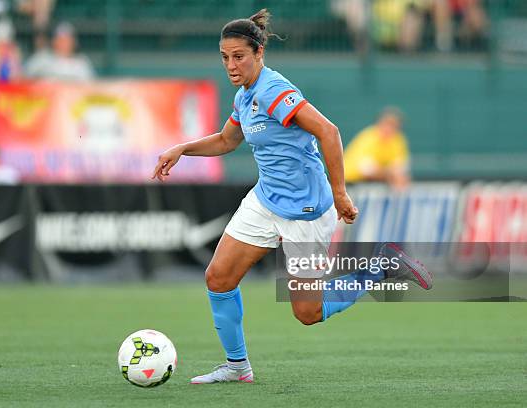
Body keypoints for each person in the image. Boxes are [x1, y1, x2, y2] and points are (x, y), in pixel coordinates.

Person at [151, 9, 431, 384]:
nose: (231, 65)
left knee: (307, 313)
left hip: (306, 210)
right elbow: (226, 140)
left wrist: (340, 193)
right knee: (218, 278)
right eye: (224, 57)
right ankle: (237, 367)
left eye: (239, 57)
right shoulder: (244, 95)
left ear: (259, 52)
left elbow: (328, 132)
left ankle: (381, 265)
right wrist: (182, 148)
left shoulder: (274, 90)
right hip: (266, 200)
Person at [343, 107, 411, 190]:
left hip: (370, 184)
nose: (389, 129)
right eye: (387, 124)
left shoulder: (397, 140)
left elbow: (400, 167)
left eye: (393, 125)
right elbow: (366, 169)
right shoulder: (368, 138)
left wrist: (393, 175)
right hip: (349, 183)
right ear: (379, 123)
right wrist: (389, 174)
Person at [24, 22, 94, 82]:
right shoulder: (41, 59)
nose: (63, 42)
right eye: (60, 39)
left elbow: (91, 87)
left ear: (74, 42)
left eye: (67, 39)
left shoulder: (82, 63)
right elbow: (23, 78)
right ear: (53, 41)